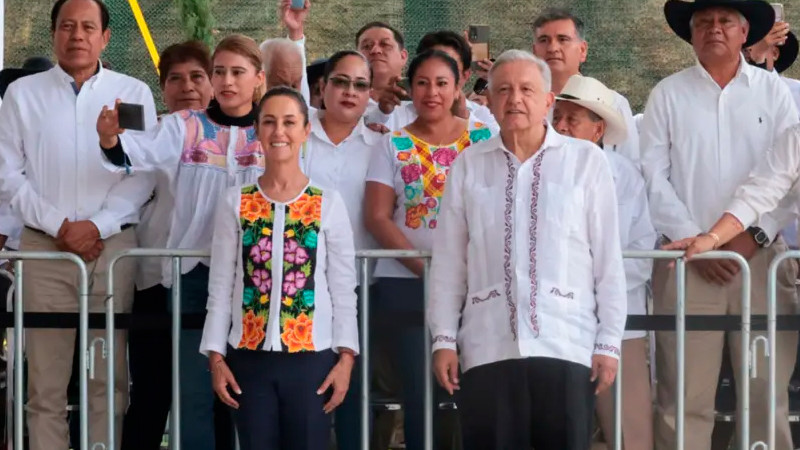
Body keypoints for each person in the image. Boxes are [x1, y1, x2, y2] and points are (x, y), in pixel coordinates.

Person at [428, 49, 626, 450]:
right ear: (489, 100)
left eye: (526, 89)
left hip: (567, 341)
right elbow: (449, 263)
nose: (514, 99)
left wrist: (609, 342)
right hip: (487, 344)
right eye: (503, 90)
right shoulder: (468, 165)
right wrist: (444, 339)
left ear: (548, 100)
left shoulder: (585, 161)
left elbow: (607, 260)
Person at [639, 0, 799, 448]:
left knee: (765, 394)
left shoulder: (775, 93)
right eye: (703, 22)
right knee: (683, 397)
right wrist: (697, 243)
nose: (714, 29)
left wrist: (754, 234)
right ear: (690, 34)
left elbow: (788, 177)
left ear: (745, 32)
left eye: (725, 21)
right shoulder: (667, 94)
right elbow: (652, 177)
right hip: (687, 263)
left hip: (762, 259)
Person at [0, 0, 157, 448]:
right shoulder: (22, 94)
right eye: (67, 26)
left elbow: (143, 172)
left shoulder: (132, 92)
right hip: (43, 248)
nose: (77, 35)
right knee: (44, 382)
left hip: (111, 250)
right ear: (53, 33)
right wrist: (60, 226)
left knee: (107, 379)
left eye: (88, 27)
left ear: (105, 37)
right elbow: (9, 175)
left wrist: (97, 226)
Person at [95, 34, 265, 450]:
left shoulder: (273, 125)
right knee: (193, 390)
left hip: (259, 277)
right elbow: (136, 152)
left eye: (237, 72)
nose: (227, 81)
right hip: (193, 276)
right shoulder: (183, 126)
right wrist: (110, 138)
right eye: (220, 71)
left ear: (259, 78)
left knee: (250, 393)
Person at [200, 86, 359, 450]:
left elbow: (343, 288)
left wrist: (346, 358)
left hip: (313, 359)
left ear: (306, 130)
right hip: (247, 357)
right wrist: (216, 356)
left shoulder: (328, 203)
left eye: (289, 122)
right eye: (269, 122)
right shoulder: (236, 201)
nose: (279, 131)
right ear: (257, 130)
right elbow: (221, 285)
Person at [364, 49, 493, 450]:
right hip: (407, 286)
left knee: (477, 390)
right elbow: (378, 217)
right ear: (410, 88)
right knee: (420, 392)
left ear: (458, 87)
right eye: (422, 83)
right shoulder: (391, 144)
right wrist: (430, 272)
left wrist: (464, 273)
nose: (431, 92)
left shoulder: (484, 139)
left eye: (441, 83)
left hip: (477, 285)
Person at [553, 74, 656, 450]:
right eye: (557, 117)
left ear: (598, 129)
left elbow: (643, 249)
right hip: (556, 322)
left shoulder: (626, 177)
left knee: (630, 431)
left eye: (572, 119)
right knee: (560, 426)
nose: (561, 126)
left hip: (619, 321)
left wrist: (595, 285)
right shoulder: (536, 171)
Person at [120, 40, 214, 450]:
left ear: (213, 84)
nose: (187, 86)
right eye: (175, 78)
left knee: (209, 393)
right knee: (151, 390)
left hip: (207, 281)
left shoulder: (231, 137)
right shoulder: (149, 137)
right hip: (152, 279)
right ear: (162, 88)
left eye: (197, 77)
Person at [296, 50, 381, 450]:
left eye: (360, 85)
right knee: (303, 395)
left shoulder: (382, 145)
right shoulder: (295, 137)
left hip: (359, 286)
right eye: (341, 82)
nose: (350, 92)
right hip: (298, 286)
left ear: (370, 94)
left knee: (355, 394)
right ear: (322, 87)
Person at [531, 8, 640, 164]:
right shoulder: (520, 104)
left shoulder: (612, 103)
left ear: (582, 50)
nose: (553, 48)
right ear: (534, 52)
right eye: (544, 40)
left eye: (563, 39)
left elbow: (629, 166)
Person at [367, 30, 497, 131]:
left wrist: (464, 118)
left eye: (450, 69)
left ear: (465, 75)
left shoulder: (481, 116)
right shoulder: (393, 113)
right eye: (430, 69)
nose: (434, 89)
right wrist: (382, 112)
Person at [261, 0, 311, 103]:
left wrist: (296, 31)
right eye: (280, 86)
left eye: (294, 86)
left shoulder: (300, 109)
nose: (289, 94)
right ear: (259, 79)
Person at [356, 22, 409, 115]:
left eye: (385, 44)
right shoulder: (343, 101)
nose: (375, 51)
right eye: (367, 46)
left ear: (403, 56)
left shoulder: (421, 99)